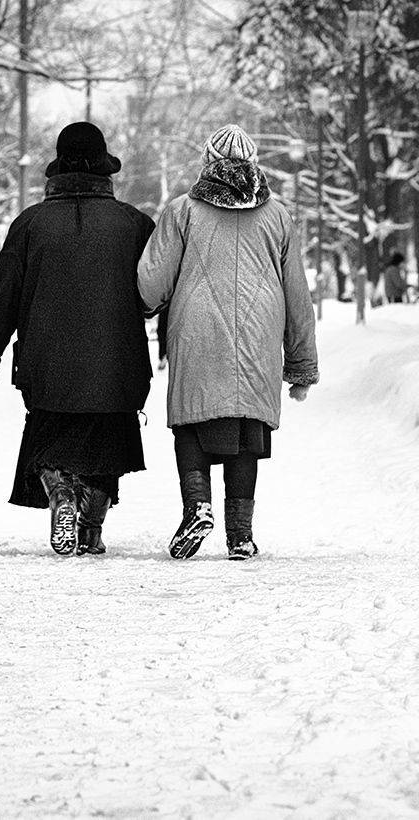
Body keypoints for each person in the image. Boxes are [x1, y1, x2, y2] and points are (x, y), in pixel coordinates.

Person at [0, 122, 156, 557]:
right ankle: (89, 528)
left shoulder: (30, 224)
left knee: (50, 437)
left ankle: (59, 492)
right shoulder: (135, 224)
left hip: (45, 366)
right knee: (109, 442)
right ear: (106, 171)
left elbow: (3, 296)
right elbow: (162, 289)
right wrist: (171, 342)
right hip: (117, 366)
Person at [137, 123, 319, 562]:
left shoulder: (182, 210)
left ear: (208, 161)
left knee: (192, 421)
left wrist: (149, 305)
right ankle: (240, 534)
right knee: (246, 428)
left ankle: (196, 506)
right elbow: (297, 294)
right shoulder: (277, 216)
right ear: (253, 164)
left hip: (196, 329)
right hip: (260, 333)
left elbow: (150, 282)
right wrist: (301, 365)